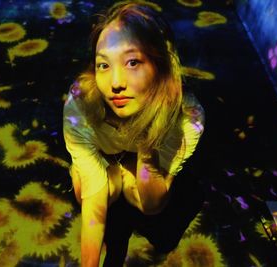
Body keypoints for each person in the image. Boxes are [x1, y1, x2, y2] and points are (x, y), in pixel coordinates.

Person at [63, 0, 205, 266]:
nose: (115, 83)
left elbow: (151, 203)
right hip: (104, 160)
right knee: (93, 190)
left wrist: (147, 138)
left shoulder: (189, 117)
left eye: (132, 62)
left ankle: (125, 170)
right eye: (103, 65)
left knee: (149, 206)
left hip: (145, 164)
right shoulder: (81, 103)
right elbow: (93, 203)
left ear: (162, 66)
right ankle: (115, 173)